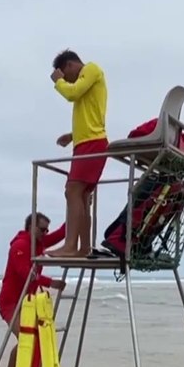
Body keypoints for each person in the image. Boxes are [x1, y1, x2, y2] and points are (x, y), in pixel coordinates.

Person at [0, 212, 67, 367]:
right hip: (10, 302)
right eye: (42, 229)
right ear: (31, 227)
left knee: (36, 339)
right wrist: (50, 282)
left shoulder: (40, 243)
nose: (45, 233)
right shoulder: (20, 246)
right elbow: (24, 273)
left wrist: (82, 204)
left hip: (27, 302)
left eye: (46, 230)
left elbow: (62, 233)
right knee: (26, 338)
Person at [49, 49, 109, 258]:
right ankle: (83, 247)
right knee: (81, 196)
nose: (68, 80)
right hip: (86, 143)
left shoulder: (91, 69)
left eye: (67, 75)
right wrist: (73, 135)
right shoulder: (87, 82)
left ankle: (71, 245)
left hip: (92, 144)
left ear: (69, 65)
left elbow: (72, 93)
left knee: (72, 190)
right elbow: (90, 113)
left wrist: (58, 82)